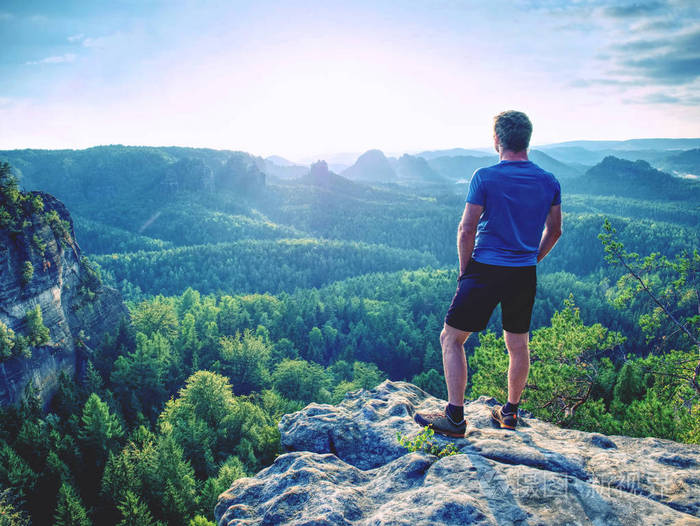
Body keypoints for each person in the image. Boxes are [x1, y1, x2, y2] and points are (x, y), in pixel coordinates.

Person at [415, 110, 562, 437]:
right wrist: (531, 258)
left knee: (451, 338)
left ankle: (454, 418)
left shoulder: (484, 177)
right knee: (518, 343)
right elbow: (555, 231)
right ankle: (509, 412)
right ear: (527, 140)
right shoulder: (549, 181)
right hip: (523, 273)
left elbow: (466, 229)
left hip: (485, 269)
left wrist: (465, 271)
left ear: (497, 140)